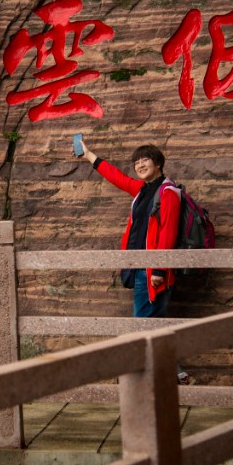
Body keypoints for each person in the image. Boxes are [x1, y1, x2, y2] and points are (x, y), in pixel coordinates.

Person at [77, 138, 191, 384]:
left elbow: (168, 232)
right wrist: (88, 155)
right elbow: (116, 177)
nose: (140, 165)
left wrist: (158, 269)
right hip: (140, 267)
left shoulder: (168, 192)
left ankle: (142, 382)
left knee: (142, 325)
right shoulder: (142, 190)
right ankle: (177, 374)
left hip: (151, 271)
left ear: (158, 164)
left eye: (145, 160)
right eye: (136, 162)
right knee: (153, 327)